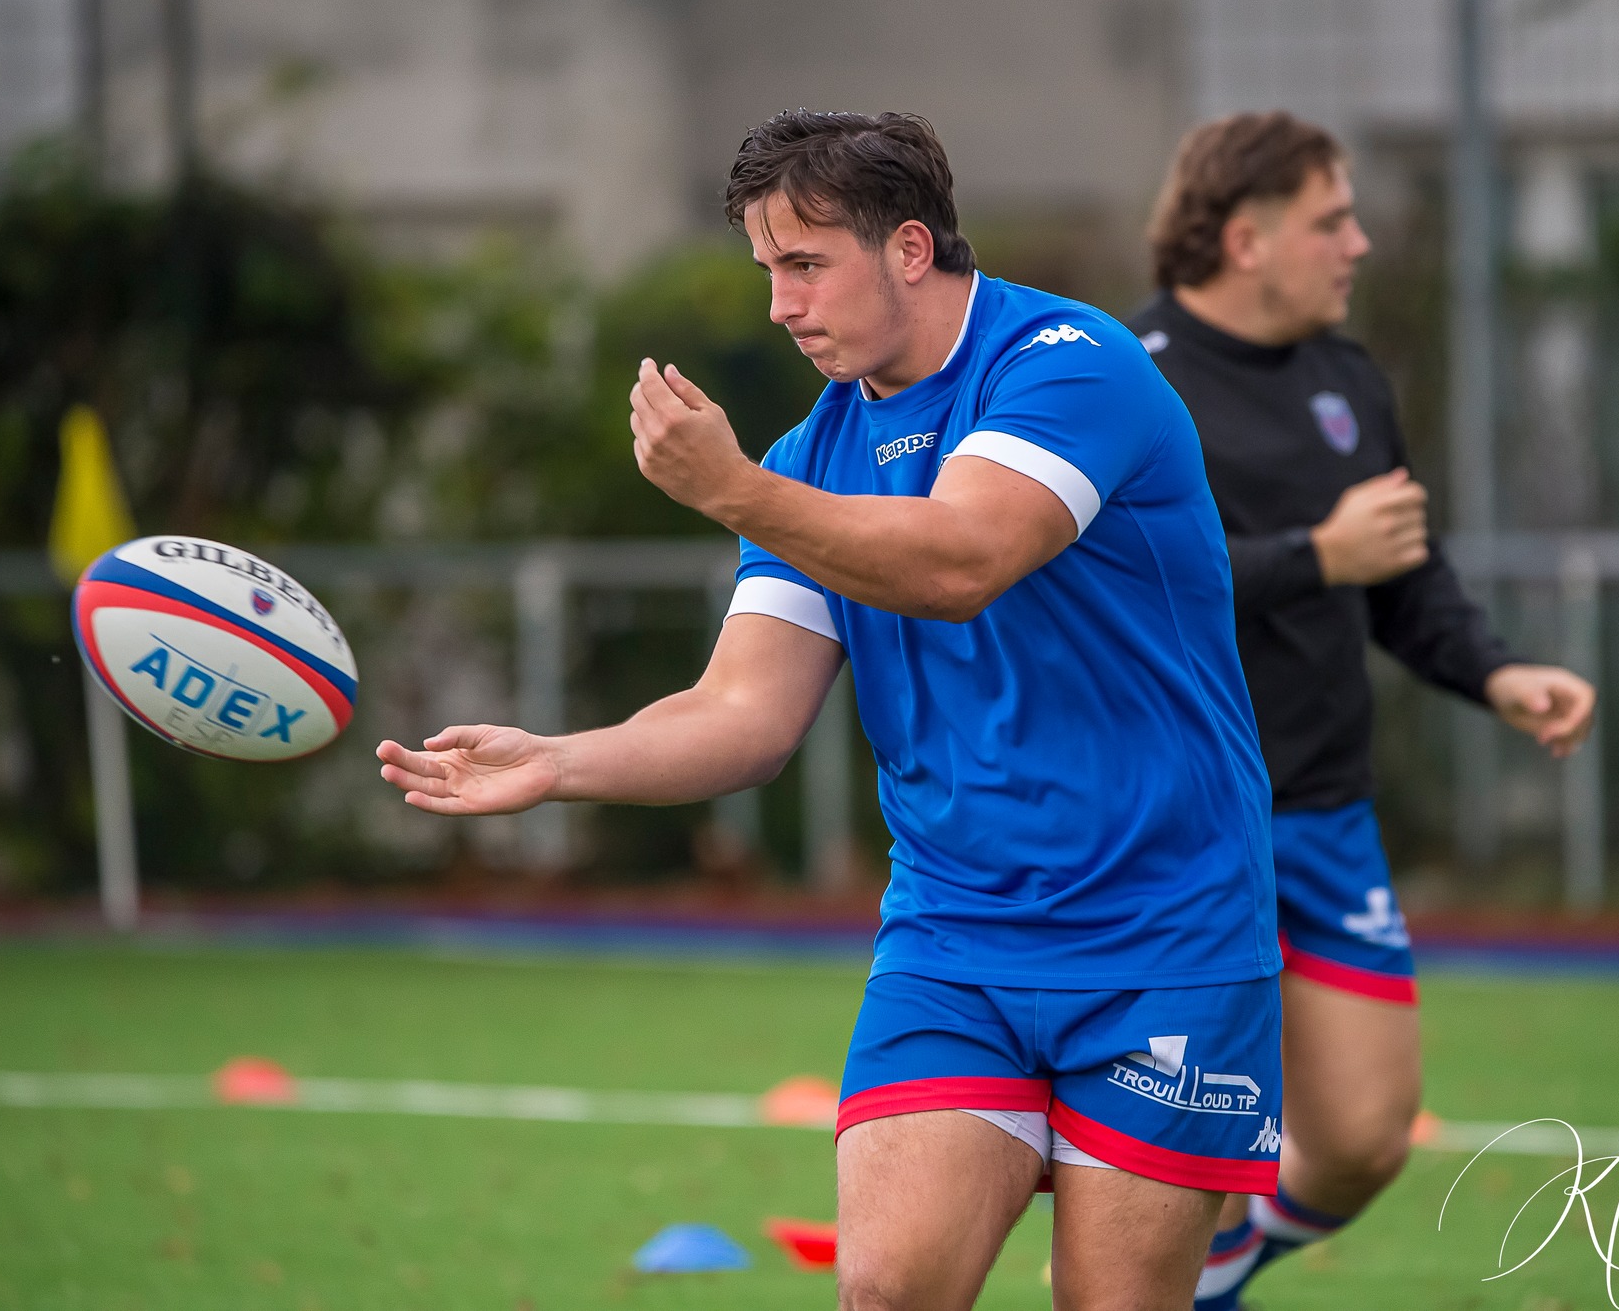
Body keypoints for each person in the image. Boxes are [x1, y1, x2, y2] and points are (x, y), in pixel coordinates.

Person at [378, 110, 1287, 1310]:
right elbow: (743, 713)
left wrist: (738, 491)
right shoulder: (818, 454)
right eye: (766, 271)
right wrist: (557, 761)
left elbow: (959, 558)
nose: (778, 305)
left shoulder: (1069, 364)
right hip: (956, 933)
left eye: (803, 265)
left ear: (908, 248)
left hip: (1161, 929)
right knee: (886, 1288)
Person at [1125, 112, 1599, 1309]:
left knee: (1364, 1135)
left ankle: (1211, 1279)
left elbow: (1399, 571)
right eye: (1331, 220)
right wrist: (1309, 557)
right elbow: (1115, 591)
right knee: (1203, 1158)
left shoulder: (1346, 380)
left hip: (1324, 810)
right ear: (1244, 238)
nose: (1360, 243)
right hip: (1177, 825)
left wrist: (1492, 671)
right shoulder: (1134, 383)